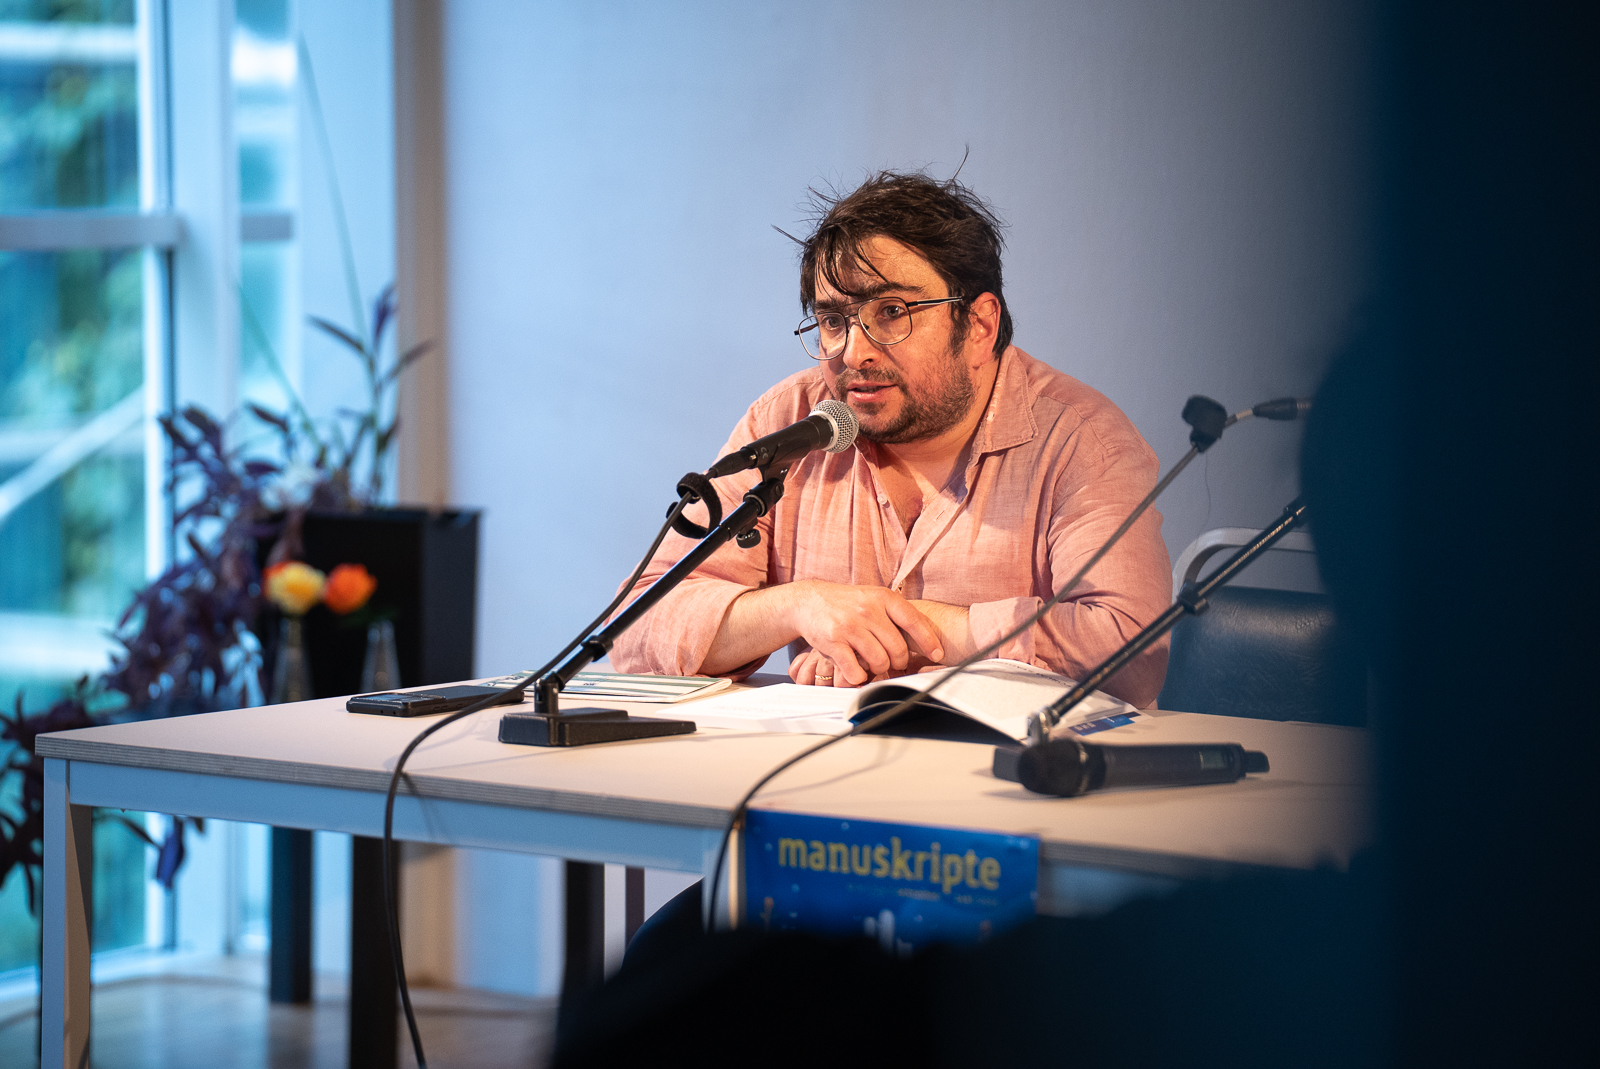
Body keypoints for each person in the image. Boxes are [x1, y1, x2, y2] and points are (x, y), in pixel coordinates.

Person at [610, 172, 1171, 707]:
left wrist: (903, 629)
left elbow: (1131, 649)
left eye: (893, 312)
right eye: (834, 321)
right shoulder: (788, 422)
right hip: (823, 762)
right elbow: (634, 627)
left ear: (979, 326)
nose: (854, 353)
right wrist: (800, 607)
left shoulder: (1082, 441)